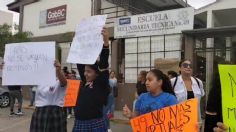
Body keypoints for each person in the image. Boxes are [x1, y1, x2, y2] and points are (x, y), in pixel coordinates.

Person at [72, 27, 110, 132]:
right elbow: (79, 61)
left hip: (95, 125)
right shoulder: (85, 82)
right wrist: (77, 43)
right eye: (85, 71)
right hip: (79, 124)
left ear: (97, 74)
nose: (85, 74)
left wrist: (106, 42)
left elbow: (103, 62)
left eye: (89, 71)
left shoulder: (100, 83)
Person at [30, 60, 67, 132]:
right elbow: (23, 78)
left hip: (55, 113)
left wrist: (58, 70)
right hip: (40, 112)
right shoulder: (39, 80)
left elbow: (64, 82)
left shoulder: (58, 80)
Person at [170, 59, 205, 127]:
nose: (188, 67)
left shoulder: (198, 82)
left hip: (195, 121)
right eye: (185, 65)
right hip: (178, 121)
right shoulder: (172, 82)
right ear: (179, 68)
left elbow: (201, 98)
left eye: (190, 66)